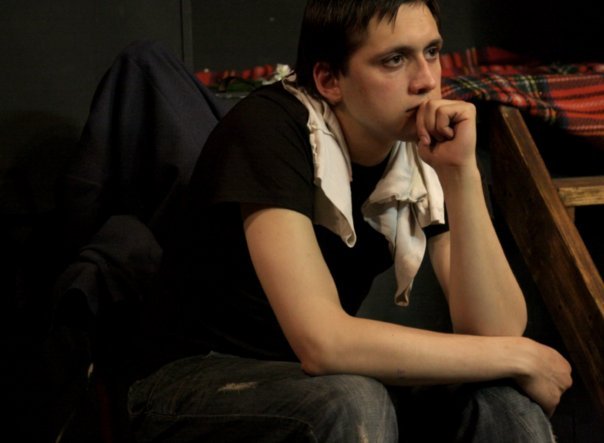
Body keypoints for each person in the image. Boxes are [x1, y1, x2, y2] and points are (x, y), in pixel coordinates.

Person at [123, 0, 573, 441]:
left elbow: (495, 332)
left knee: (501, 401)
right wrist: (521, 355)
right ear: (329, 80)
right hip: (188, 382)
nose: (426, 81)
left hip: (312, 381)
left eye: (432, 52)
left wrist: (461, 174)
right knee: (354, 398)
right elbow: (324, 343)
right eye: (394, 59)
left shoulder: (413, 152)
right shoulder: (270, 128)